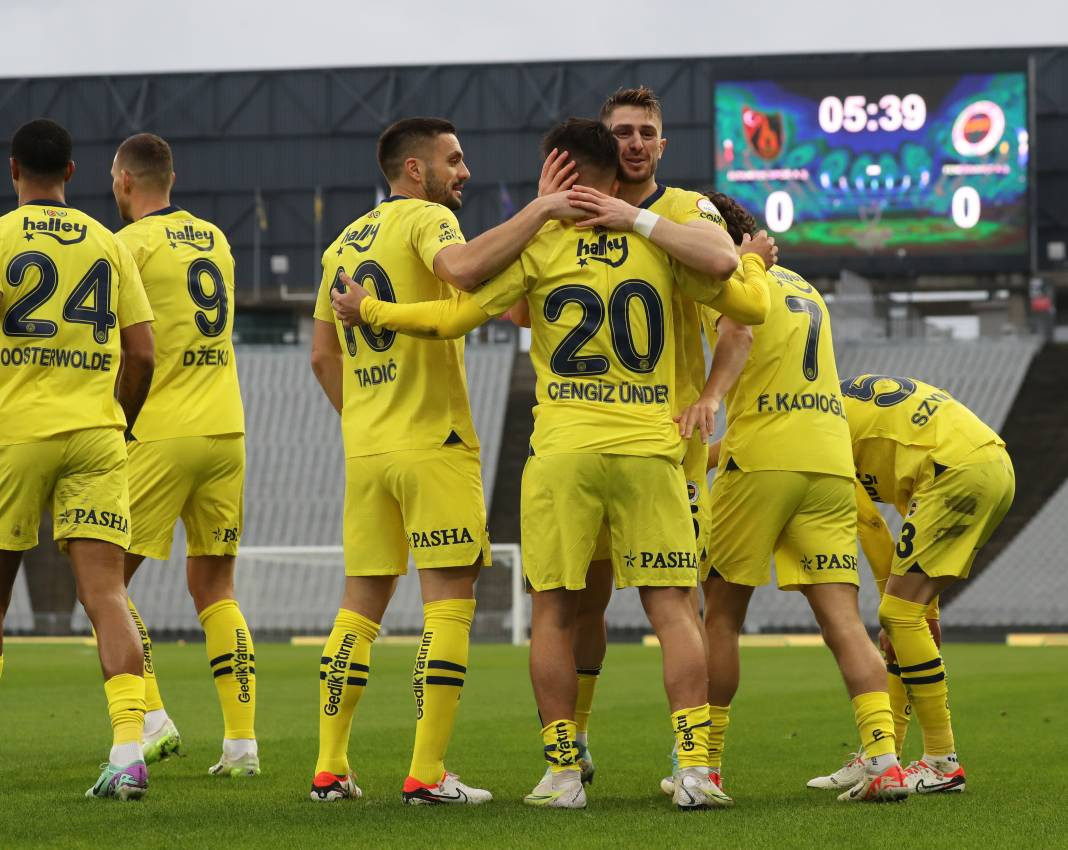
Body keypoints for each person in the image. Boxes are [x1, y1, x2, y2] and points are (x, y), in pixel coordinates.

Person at [337, 118, 770, 810]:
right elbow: (749, 304)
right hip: (649, 449)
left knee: (555, 615)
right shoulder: (657, 240)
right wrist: (749, 261)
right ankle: (694, 771)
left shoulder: (540, 246)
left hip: (564, 453)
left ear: (559, 171)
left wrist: (374, 310)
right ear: (616, 171)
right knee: (673, 611)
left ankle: (564, 774)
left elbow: (454, 318)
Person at [310, 116, 581, 805]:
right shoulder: (428, 218)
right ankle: (426, 773)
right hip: (434, 443)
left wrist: (367, 417)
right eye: (453, 160)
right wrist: (542, 209)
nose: (464, 171)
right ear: (414, 170)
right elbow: (460, 270)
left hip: (367, 449)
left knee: (358, 608)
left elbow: (320, 355)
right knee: (449, 604)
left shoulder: (342, 243)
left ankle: (330, 769)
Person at [514, 86, 777, 789]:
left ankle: (692, 761)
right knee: (588, 601)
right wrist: (549, 211)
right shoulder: (566, 217)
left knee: (673, 603)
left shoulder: (684, 209)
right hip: (617, 440)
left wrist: (711, 396)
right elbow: (521, 311)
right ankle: (581, 740)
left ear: (662, 144)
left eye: (645, 132)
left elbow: (736, 314)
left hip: (666, 443)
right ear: (605, 143)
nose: (634, 143)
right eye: (622, 132)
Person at [683, 193, 908, 803]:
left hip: (761, 459)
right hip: (829, 460)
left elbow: (739, 336)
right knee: (843, 621)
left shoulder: (726, 277)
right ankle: (884, 760)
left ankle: (704, 768)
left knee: (720, 615)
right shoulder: (805, 287)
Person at [0, 118, 155, 799]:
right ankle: (128, 753)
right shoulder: (108, 243)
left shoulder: (2, 238)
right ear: (70, 172)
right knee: (107, 595)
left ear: (13, 170)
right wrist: (122, 422)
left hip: (16, 433)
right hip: (96, 431)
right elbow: (142, 353)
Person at [110, 133, 258, 777]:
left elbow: (130, 347)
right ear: (170, 178)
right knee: (216, 588)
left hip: (160, 428)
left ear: (123, 181)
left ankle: (152, 717)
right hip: (225, 429)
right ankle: (242, 745)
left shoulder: (128, 245)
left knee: (104, 583)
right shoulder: (216, 239)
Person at [808, 375, 1014, 795]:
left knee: (898, 615)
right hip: (990, 465)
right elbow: (912, 517)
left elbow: (870, 523)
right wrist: (921, 610)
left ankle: (942, 762)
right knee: (906, 619)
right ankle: (885, 757)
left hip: (953, 471)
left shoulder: (814, 422)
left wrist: (893, 604)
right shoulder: (841, 402)